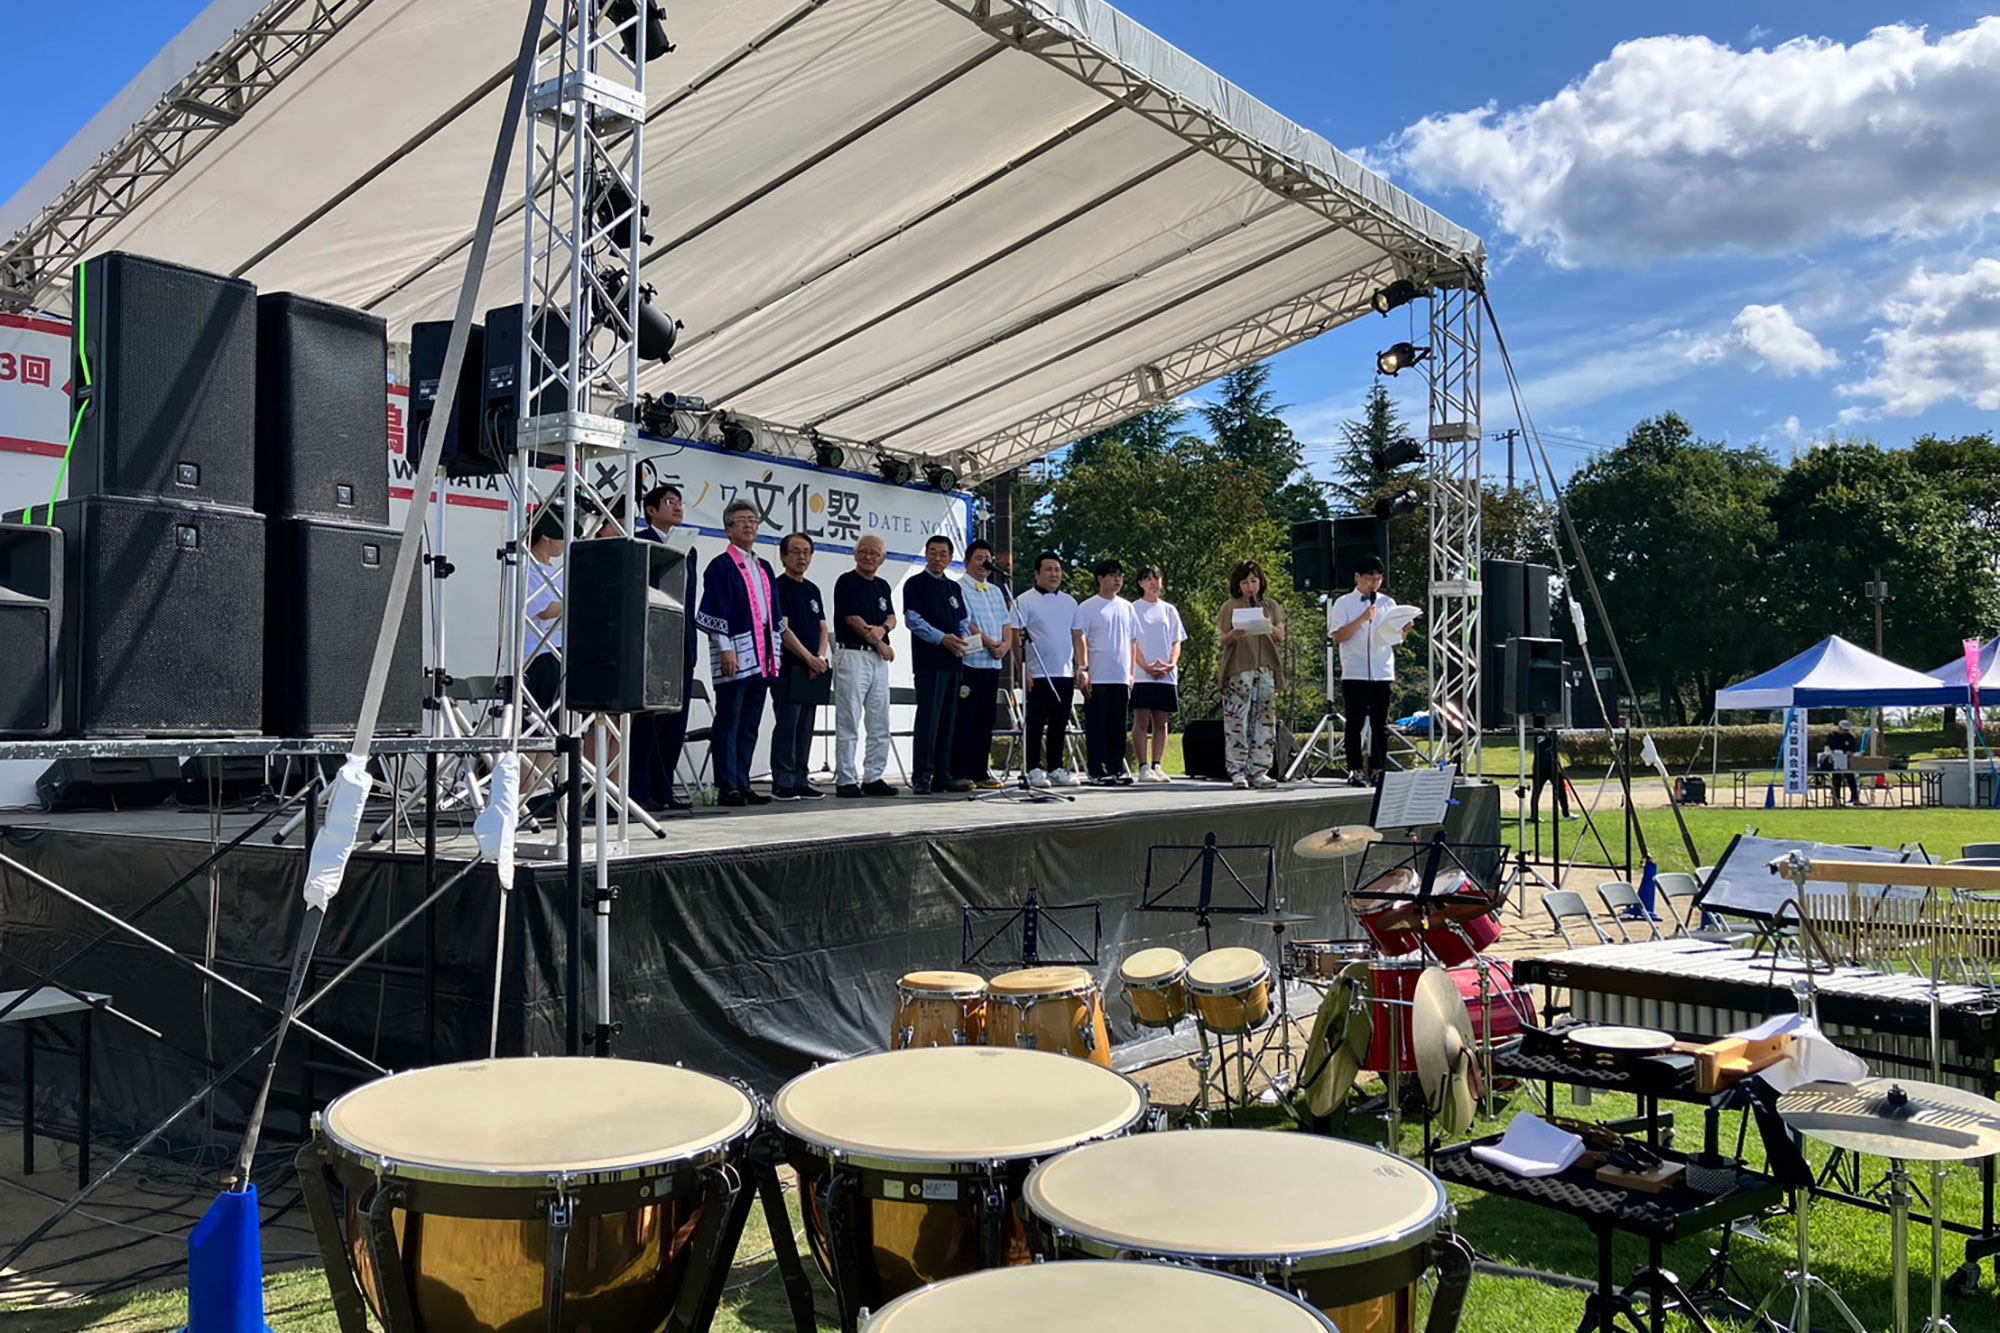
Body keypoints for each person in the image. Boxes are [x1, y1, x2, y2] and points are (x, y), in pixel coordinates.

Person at [696, 499, 783, 807]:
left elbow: (774, 613)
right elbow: (715, 609)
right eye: (742, 520)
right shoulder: (721, 565)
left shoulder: (764, 566)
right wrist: (725, 648)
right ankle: (727, 785)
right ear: (728, 529)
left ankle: (743, 782)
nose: (749, 525)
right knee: (729, 719)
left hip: (762, 654)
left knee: (750, 721)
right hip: (736, 650)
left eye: (753, 520)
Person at [630, 483, 694, 811]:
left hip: (681, 645)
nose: (678, 507)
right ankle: (639, 790)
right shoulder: (641, 542)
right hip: (653, 645)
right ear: (651, 510)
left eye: (680, 502)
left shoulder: (688, 548)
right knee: (648, 723)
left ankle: (664, 788)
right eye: (670, 502)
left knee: (674, 725)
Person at [903, 534, 974, 794]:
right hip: (929, 662)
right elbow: (913, 620)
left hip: (954, 661)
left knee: (948, 720)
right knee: (929, 720)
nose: (937, 558)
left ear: (951, 558)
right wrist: (942, 638)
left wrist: (961, 638)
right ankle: (922, 776)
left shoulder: (954, 588)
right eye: (933, 552)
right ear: (926, 554)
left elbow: (964, 620)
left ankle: (943, 774)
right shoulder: (915, 584)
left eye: (943, 553)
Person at [832, 536, 900, 798]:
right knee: (849, 720)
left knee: (879, 720)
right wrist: (880, 642)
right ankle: (846, 779)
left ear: (883, 558)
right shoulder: (846, 581)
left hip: (877, 661)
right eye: (863, 552)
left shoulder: (882, 585)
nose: (869, 557)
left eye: (874, 553)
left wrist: (882, 630)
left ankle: (873, 777)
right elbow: (852, 619)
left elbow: (892, 617)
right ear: (855, 554)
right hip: (853, 655)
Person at [1327, 554, 1403, 787]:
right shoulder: (1343, 603)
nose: (1374, 583)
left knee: (1381, 724)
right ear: (1358, 577)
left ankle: (1379, 769)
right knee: (1355, 724)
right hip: (1355, 671)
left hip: (1382, 671)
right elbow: (1338, 636)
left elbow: (1395, 638)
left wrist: (1405, 629)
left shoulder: (1388, 603)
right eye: (1370, 578)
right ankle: (1355, 769)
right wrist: (1363, 618)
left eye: (1378, 579)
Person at [1011, 552, 1083, 788]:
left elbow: (1077, 636)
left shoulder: (1070, 602)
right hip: (1037, 673)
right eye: (1048, 569)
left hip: (1064, 673)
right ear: (1037, 573)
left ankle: (1055, 768)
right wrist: (1023, 668)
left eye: (1057, 570)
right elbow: (1015, 636)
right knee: (1035, 722)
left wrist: (1081, 667)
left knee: (1059, 724)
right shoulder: (1024, 600)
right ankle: (1033, 767)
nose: (1054, 574)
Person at [771, 532, 831, 801]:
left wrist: (819, 658)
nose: (802, 557)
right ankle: (783, 782)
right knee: (788, 725)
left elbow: (823, 627)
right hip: (789, 667)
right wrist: (808, 658)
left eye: (806, 552)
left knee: (806, 726)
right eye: (795, 551)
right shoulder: (778, 586)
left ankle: (800, 778)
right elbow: (782, 629)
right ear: (784, 556)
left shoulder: (813, 589)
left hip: (812, 669)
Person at [1218, 559, 1287, 790]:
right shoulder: (1230, 606)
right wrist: (1233, 634)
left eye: (1254, 581)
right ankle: (1236, 769)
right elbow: (1221, 639)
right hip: (1239, 668)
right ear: (1238, 584)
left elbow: (1280, 635)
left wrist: (1266, 625)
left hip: (1265, 667)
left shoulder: (1270, 605)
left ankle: (1259, 769)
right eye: (1245, 582)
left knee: (1265, 719)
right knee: (1237, 719)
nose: (1250, 586)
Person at [955, 539, 1016, 789]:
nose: (984, 563)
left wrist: (1006, 645)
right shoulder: (959, 587)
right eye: (979, 558)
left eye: (988, 559)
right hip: (971, 662)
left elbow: (1007, 623)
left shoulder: (995, 591)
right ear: (967, 562)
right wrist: (990, 642)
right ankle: (961, 771)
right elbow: (966, 622)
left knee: (985, 720)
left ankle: (981, 771)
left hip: (993, 665)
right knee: (966, 719)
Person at [1075, 559, 1138, 785]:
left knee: (1117, 725)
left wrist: (1131, 673)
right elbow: (1080, 637)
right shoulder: (1087, 607)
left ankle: (1116, 768)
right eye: (1112, 575)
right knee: (1097, 725)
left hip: (1120, 675)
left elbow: (1132, 641)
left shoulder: (1127, 607)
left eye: (1120, 575)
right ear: (1100, 579)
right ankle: (1097, 771)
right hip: (1097, 675)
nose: (1117, 579)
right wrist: (1083, 668)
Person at [521, 510, 568, 815]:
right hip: (537, 655)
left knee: (554, 729)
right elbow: (545, 610)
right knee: (535, 729)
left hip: (560, 652)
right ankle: (527, 794)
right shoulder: (527, 567)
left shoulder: (557, 570)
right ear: (547, 535)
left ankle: (542, 791)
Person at [1128, 565, 1187, 784]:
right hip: (1142, 674)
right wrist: (1145, 665)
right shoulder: (1133, 608)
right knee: (1142, 719)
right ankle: (1143, 767)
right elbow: (1132, 642)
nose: (1154, 583)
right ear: (1140, 583)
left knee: (1162, 722)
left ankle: (1157, 765)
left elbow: (1177, 640)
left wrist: (1171, 664)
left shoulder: (1169, 610)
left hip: (1166, 675)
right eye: (1148, 579)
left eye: (1157, 578)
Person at [1531, 728, 1573, 821]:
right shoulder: (1539, 734)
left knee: (1561, 790)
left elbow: (1557, 747)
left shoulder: (1552, 734)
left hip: (1551, 766)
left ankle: (1566, 814)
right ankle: (1534, 815)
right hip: (1541, 766)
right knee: (1537, 791)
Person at [1825, 717, 1862, 806]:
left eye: (1847, 730)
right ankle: (1836, 799)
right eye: (1844, 730)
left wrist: (1850, 752)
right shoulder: (1832, 736)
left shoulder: (1849, 737)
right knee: (1837, 779)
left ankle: (1855, 798)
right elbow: (1830, 747)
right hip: (1836, 761)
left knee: (1851, 778)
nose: (1845, 732)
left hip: (1847, 761)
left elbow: (1852, 748)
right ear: (1839, 728)